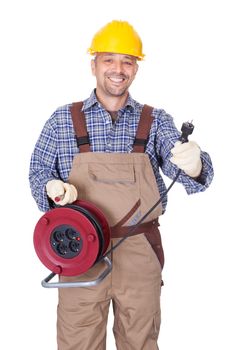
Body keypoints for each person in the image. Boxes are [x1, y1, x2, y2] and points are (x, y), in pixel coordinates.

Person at [29, 20, 214, 350]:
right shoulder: (62, 119)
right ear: (93, 65)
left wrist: (195, 164)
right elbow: (37, 172)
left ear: (136, 68)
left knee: (140, 342)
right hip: (78, 252)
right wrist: (52, 188)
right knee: (77, 344)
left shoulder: (155, 121)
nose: (118, 69)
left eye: (127, 61)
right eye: (109, 60)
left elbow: (187, 174)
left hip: (139, 252)